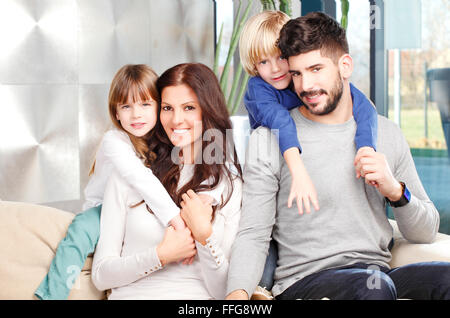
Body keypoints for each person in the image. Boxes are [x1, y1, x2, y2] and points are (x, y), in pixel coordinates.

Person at [226, 12, 450, 300]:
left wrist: (395, 191)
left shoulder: (386, 133)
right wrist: (237, 297)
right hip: (304, 283)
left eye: (316, 69)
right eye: (297, 73)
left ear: (345, 66)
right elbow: (254, 235)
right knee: (376, 287)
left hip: (377, 276)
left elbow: (426, 231)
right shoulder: (268, 140)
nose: (305, 85)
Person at [238, 10, 378, 297]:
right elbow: (280, 121)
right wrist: (298, 169)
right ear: (253, 65)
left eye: (281, 58)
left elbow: (363, 105)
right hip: (271, 176)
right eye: (263, 62)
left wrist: (365, 146)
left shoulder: (300, 82)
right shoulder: (259, 90)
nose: (275, 69)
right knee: (268, 248)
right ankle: (261, 289)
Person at [91, 63, 243, 299]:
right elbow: (101, 275)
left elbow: (226, 291)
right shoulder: (130, 173)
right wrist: (161, 255)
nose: (176, 119)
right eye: (168, 108)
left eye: (189, 107)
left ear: (208, 110)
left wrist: (204, 236)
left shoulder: (228, 184)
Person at [35, 64, 186, 300]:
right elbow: (139, 178)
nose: (136, 114)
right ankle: (50, 295)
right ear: (116, 113)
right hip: (103, 209)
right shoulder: (114, 140)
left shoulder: (164, 141)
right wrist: (174, 217)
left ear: (159, 107)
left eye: (145, 104)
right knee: (80, 231)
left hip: (137, 210)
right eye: (126, 106)